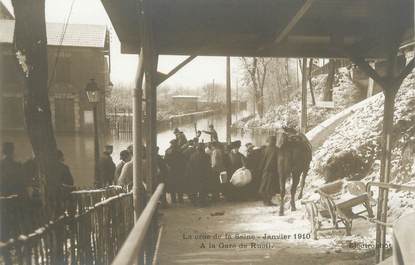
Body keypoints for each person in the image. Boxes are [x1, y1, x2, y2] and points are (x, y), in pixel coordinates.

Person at [258, 136, 279, 206]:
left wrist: (260, 169)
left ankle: (265, 200)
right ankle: (268, 201)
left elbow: (263, 160)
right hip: (273, 170)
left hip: (265, 170)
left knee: (264, 185)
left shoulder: (266, 149)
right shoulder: (277, 149)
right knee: (270, 186)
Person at [164, 139, 186, 203]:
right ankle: (180, 199)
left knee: (172, 185)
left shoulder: (167, 151)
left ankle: (173, 199)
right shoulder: (179, 151)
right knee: (180, 185)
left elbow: (165, 161)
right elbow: (183, 161)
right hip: (179, 171)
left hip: (171, 171)